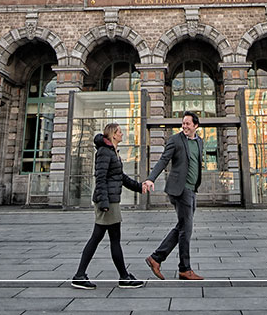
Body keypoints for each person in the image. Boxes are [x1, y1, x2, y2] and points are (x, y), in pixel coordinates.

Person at [70, 123, 146, 290]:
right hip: (107, 202)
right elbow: (101, 178)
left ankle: (83, 275)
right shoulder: (105, 152)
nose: (122, 134)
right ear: (113, 134)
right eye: (120, 132)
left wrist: (139, 187)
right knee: (107, 239)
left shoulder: (112, 151)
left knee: (106, 239)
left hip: (110, 201)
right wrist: (104, 203)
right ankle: (120, 277)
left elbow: (121, 177)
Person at [142, 111, 205, 281]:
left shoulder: (199, 142)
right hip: (180, 189)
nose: (184, 126)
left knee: (183, 227)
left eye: (188, 124)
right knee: (186, 230)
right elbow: (163, 160)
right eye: (183, 123)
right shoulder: (175, 140)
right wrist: (150, 178)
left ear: (195, 126)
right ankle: (185, 269)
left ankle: (156, 258)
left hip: (192, 190)